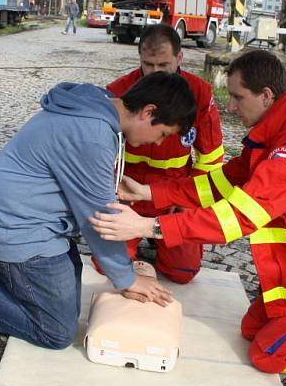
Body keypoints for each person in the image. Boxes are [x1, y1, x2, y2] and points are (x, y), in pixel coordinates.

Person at [90, 50, 286, 386]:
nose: (230, 107)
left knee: (270, 354)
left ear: (266, 96)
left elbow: (234, 219)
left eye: (237, 97)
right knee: (252, 330)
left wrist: (147, 226)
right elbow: (222, 182)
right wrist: (150, 193)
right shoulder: (275, 134)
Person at [0, 72, 198, 350]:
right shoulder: (93, 134)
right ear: (149, 112)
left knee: (64, 302)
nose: (159, 143)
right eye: (162, 133)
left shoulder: (99, 105)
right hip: (18, 229)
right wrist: (127, 279)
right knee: (56, 331)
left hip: (27, 219)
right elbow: (100, 221)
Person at [93, 24, 224, 283]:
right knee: (106, 267)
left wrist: (186, 198)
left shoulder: (199, 93)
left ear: (179, 58)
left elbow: (211, 158)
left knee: (182, 273)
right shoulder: (119, 91)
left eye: (163, 65)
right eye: (147, 64)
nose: (153, 73)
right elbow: (99, 154)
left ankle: (157, 240)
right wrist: (111, 193)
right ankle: (146, 238)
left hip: (173, 196)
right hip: (128, 194)